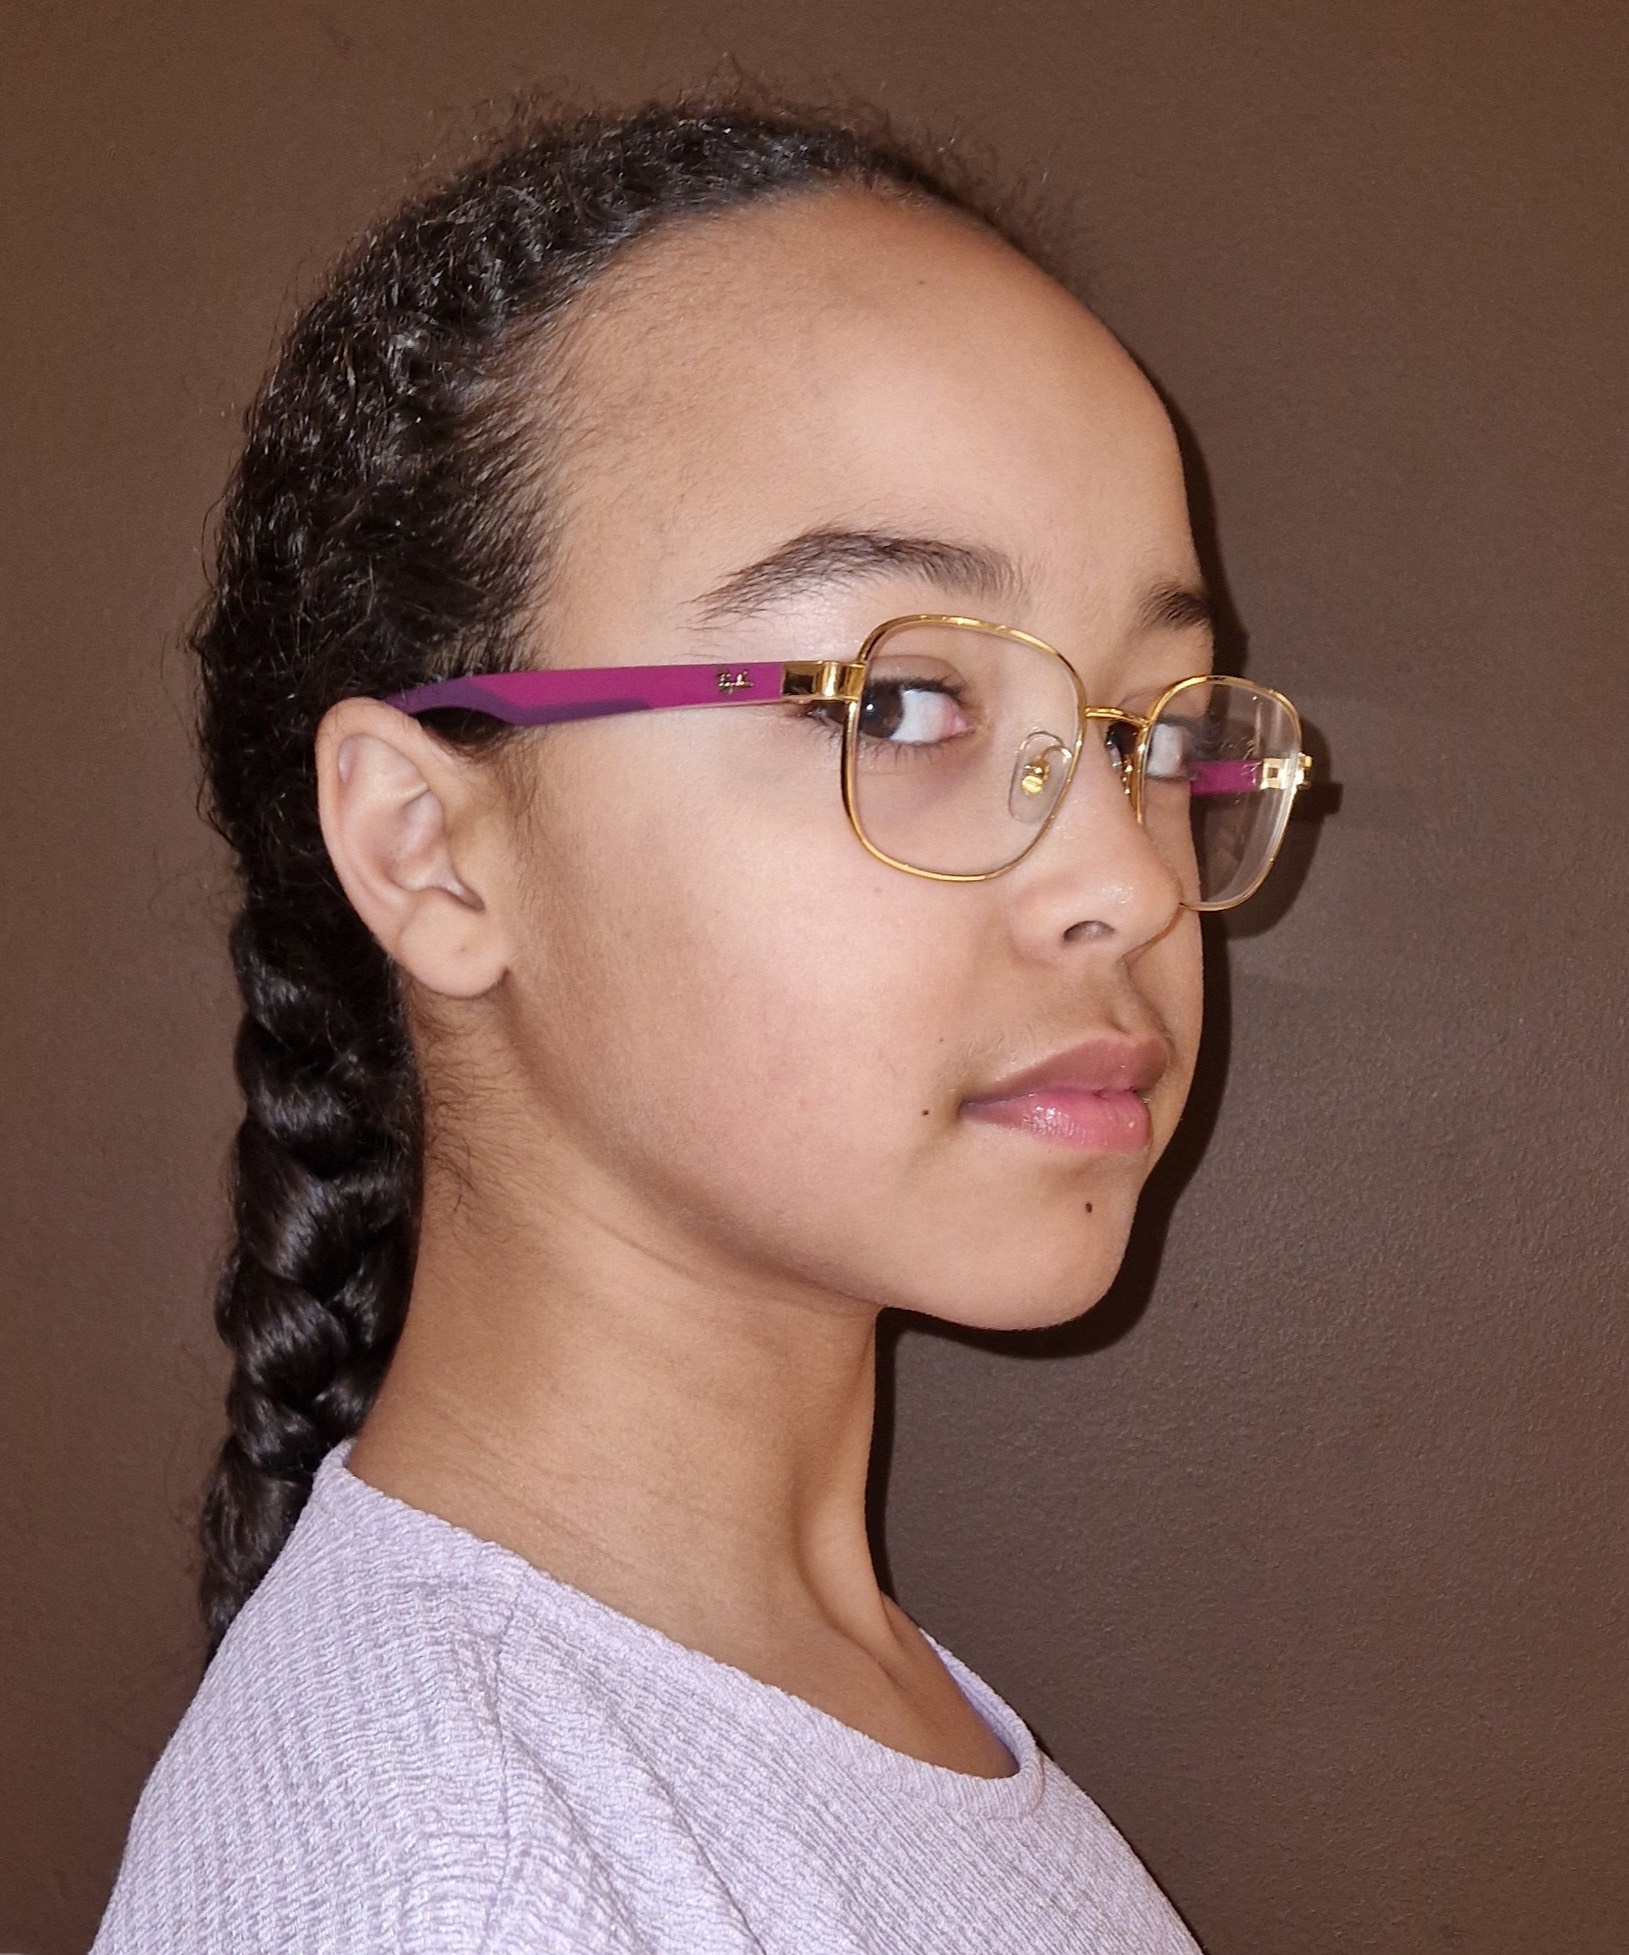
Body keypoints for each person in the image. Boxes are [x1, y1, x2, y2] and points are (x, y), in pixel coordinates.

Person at [93, 92, 1308, 1954]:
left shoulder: (819, 1708)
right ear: (430, 849)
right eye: (899, 707)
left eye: (1150, 728)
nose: (1127, 884)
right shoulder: (452, 1882)